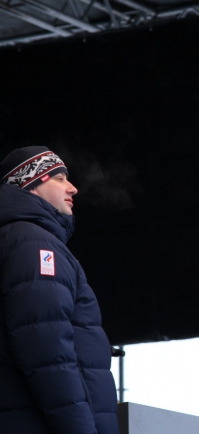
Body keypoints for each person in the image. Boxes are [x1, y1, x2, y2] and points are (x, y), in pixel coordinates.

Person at [0, 146, 118, 434]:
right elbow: (48, 353)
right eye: (60, 178)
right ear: (30, 183)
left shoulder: (20, 238)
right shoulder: (35, 243)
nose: (73, 188)